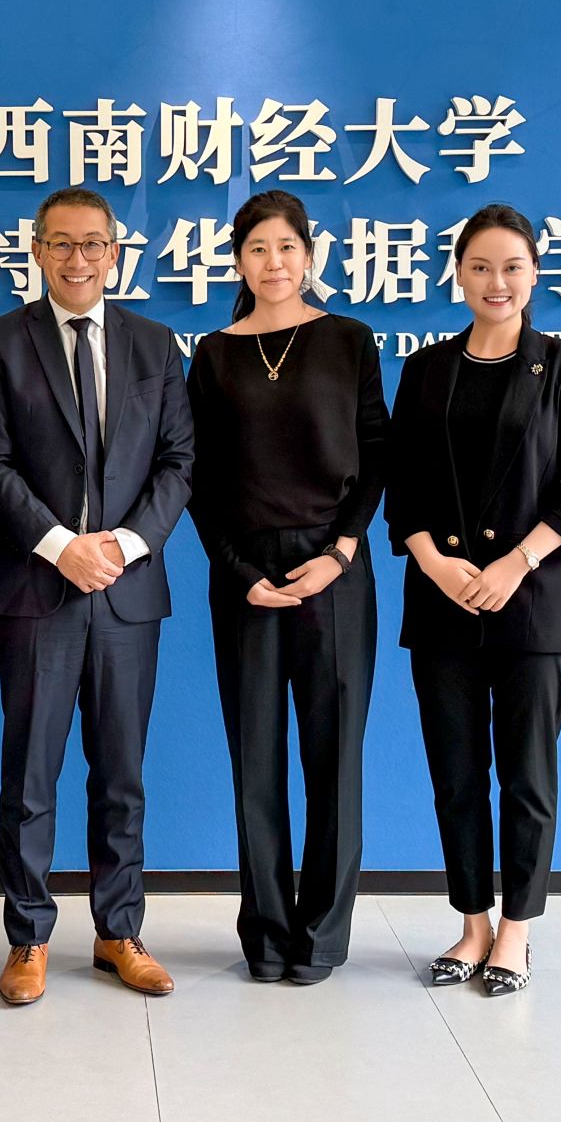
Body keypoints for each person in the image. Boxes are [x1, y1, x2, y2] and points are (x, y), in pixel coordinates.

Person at [0, 186, 194, 1006]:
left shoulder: (155, 344)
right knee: (30, 773)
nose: (77, 258)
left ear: (115, 253)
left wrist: (123, 546)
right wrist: (62, 545)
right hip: (36, 587)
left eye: (92, 243)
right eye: (60, 243)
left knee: (121, 773)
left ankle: (118, 930)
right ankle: (27, 936)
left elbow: (179, 462)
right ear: (36, 251)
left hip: (128, 591)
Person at [385, 203, 561, 997]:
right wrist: (435, 564)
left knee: (527, 774)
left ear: (535, 273)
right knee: (455, 772)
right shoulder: (426, 369)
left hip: (532, 602)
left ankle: (516, 930)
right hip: (440, 601)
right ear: (459, 274)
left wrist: (515, 562)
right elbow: (402, 487)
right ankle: (472, 922)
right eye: (480, 266)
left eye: (512, 266)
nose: (496, 281)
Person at [187, 189, 386, 985]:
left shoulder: (349, 339)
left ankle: (323, 934)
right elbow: (196, 480)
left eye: (287, 247)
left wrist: (341, 550)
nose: (274, 262)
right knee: (256, 758)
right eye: (257, 249)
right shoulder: (212, 354)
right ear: (238, 260)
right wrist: (238, 571)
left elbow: (377, 455)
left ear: (309, 254)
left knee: (334, 757)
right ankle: (266, 933)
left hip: (334, 567)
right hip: (244, 571)